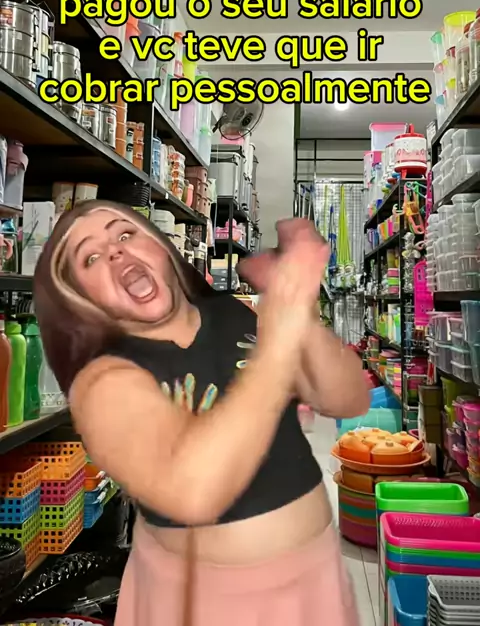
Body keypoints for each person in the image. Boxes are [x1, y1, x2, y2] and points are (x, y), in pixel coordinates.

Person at [33, 200, 369, 626]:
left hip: (314, 581)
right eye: (91, 258)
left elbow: (345, 398)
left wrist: (300, 312)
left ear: (160, 247)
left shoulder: (230, 312)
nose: (115, 251)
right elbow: (193, 492)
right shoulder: (102, 381)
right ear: (81, 298)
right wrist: (279, 342)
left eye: (125, 234)